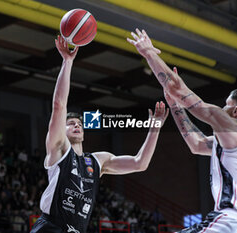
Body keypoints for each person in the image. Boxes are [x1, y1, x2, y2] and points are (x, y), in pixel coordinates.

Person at [128, 29, 237, 233]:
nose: (222, 109)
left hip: (231, 221)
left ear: (236, 110)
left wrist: (149, 53)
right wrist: (175, 106)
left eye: (226, 105)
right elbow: (196, 144)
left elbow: (179, 88)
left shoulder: (230, 125)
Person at [30, 35, 169, 233]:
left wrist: (155, 128)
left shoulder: (97, 161)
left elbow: (140, 163)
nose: (76, 126)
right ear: (63, 130)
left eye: (79, 124)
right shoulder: (59, 149)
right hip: (51, 227)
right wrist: (67, 61)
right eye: (70, 124)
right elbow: (59, 105)